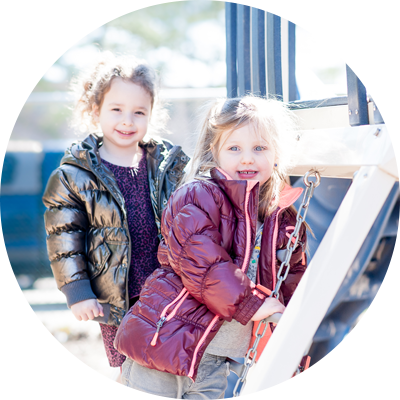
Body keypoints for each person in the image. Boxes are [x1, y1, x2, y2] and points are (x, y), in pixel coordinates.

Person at [114, 95, 308, 400]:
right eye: (234, 148)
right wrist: (249, 303)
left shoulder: (279, 218)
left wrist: (295, 347)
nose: (247, 158)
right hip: (163, 343)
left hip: (214, 362)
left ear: (276, 154)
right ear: (213, 152)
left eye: (259, 148)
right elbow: (202, 263)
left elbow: (293, 283)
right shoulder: (199, 196)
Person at [42, 52, 189, 371]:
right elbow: (63, 238)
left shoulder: (169, 165)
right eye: (117, 109)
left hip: (167, 289)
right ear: (96, 110)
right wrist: (77, 291)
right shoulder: (74, 175)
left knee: (170, 366)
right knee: (131, 369)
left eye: (139, 112)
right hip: (114, 295)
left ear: (152, 114)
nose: (127, 121)